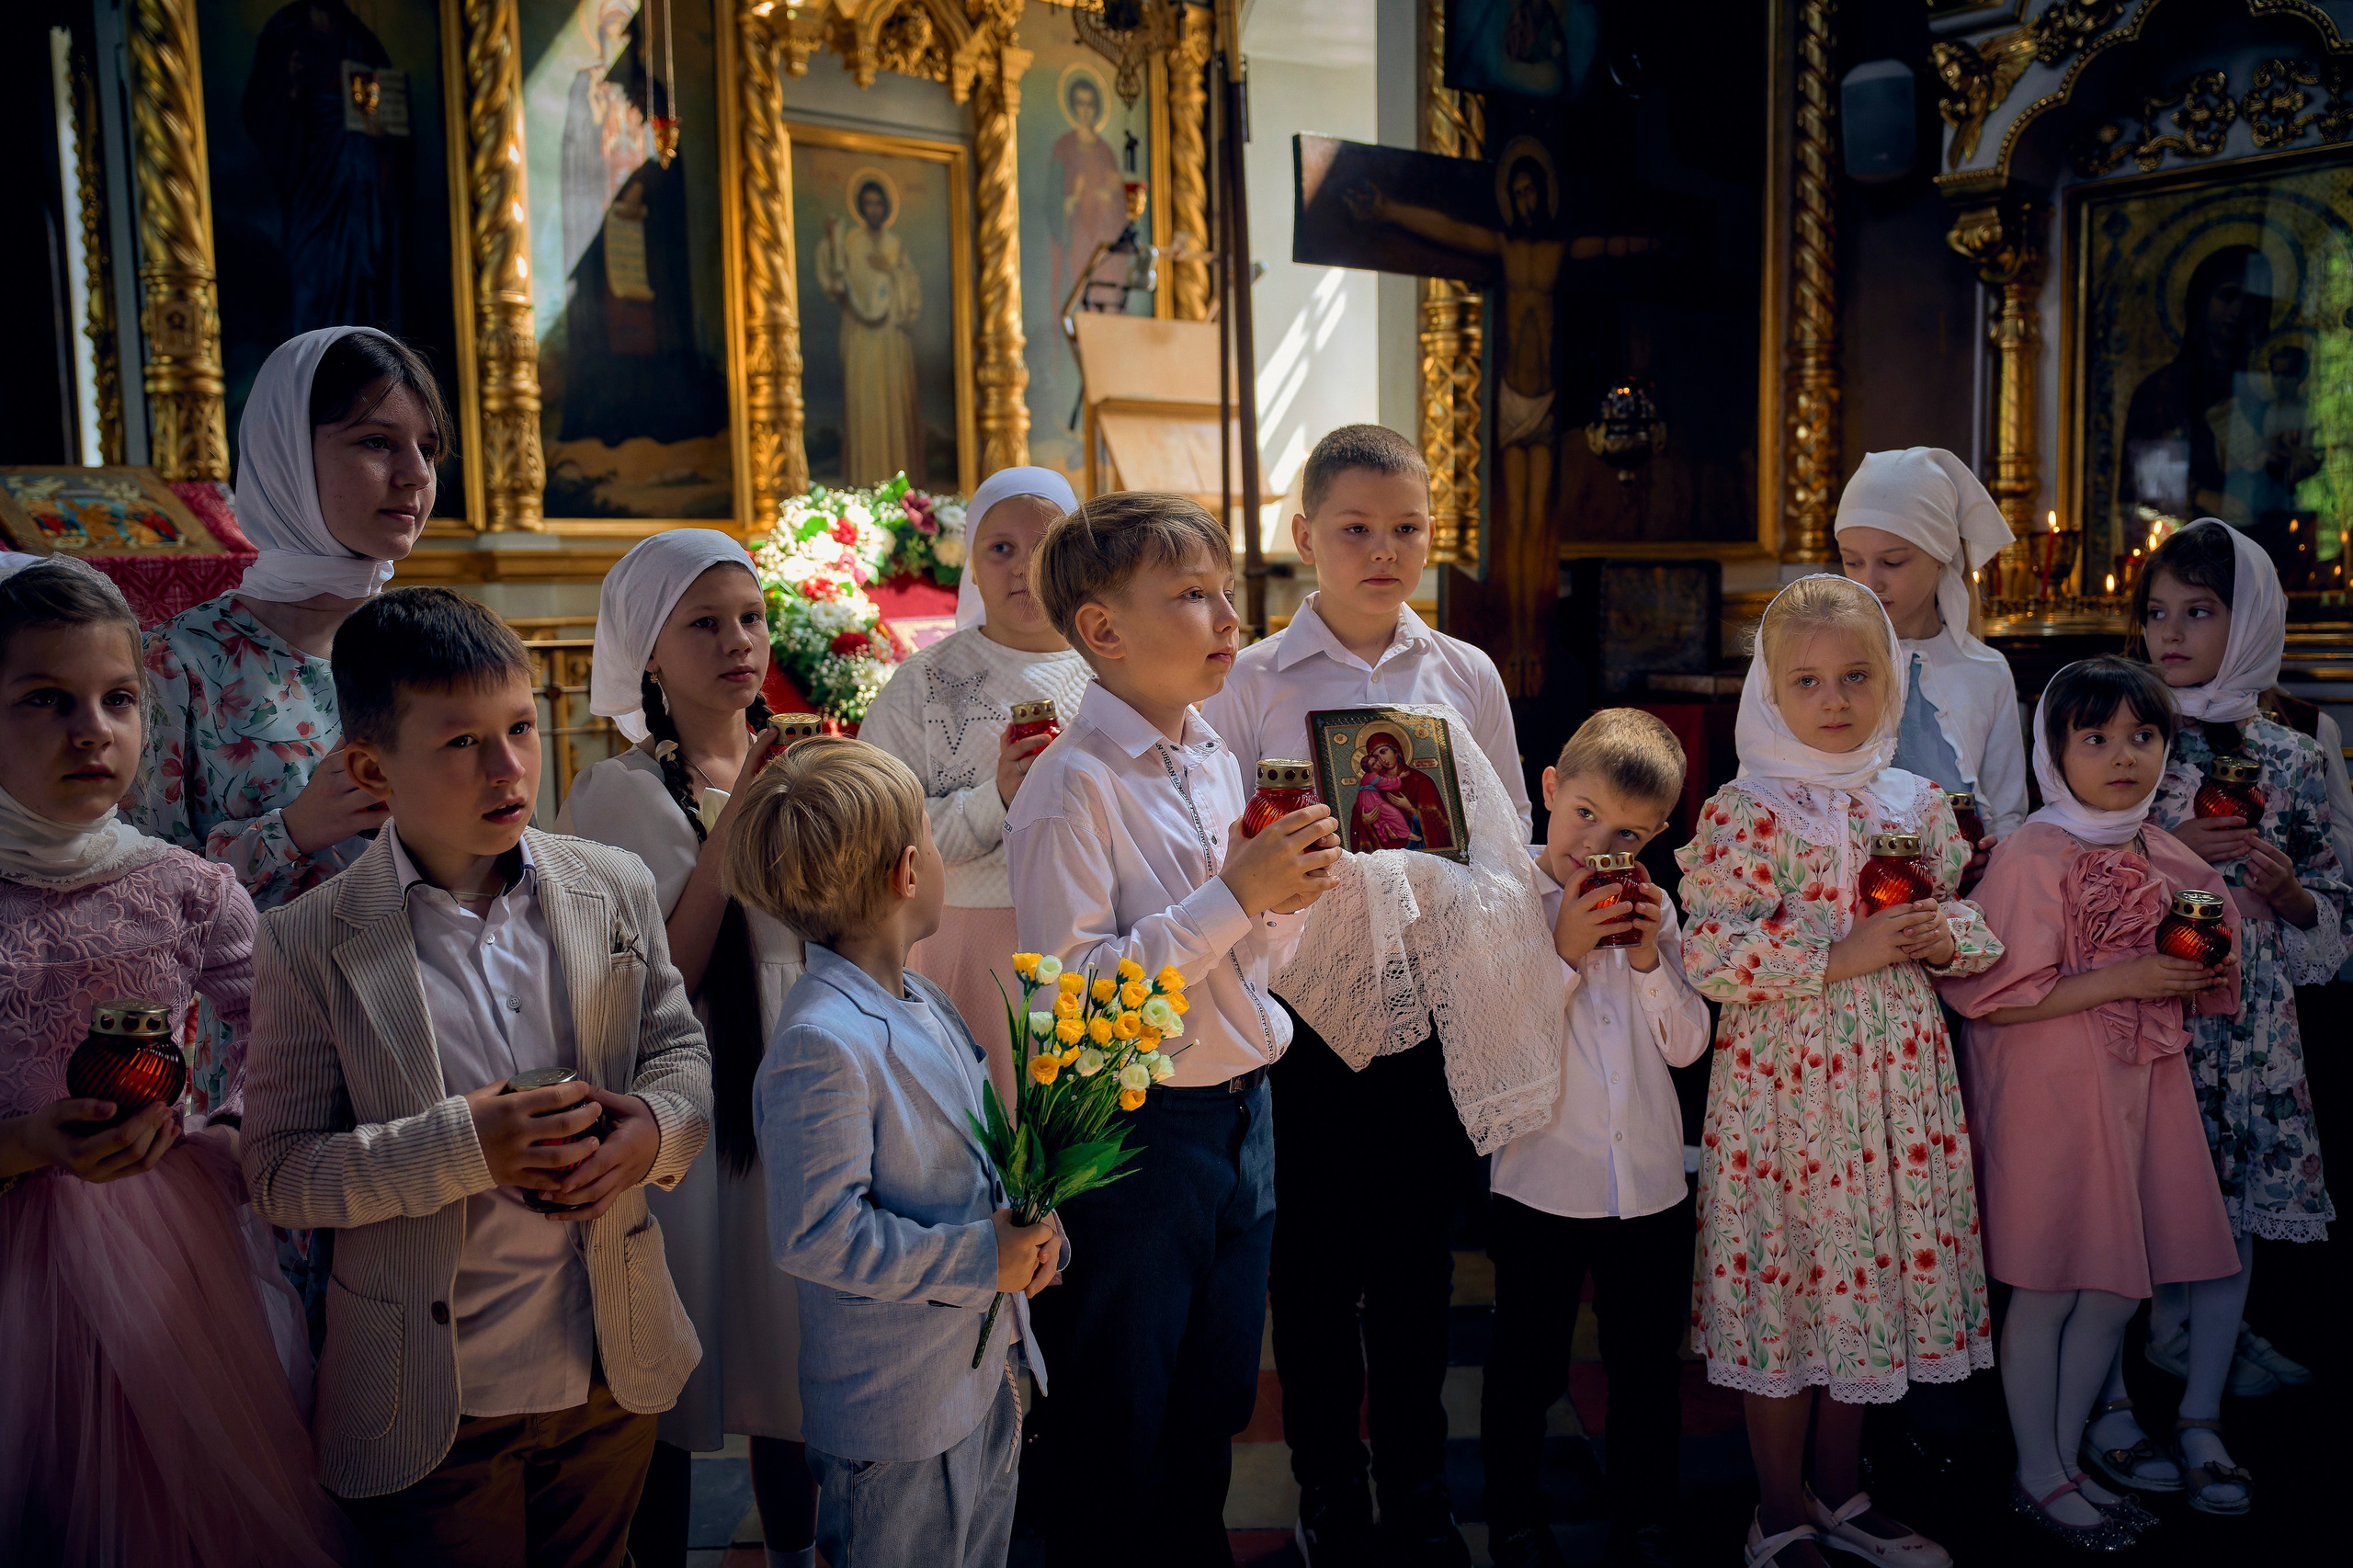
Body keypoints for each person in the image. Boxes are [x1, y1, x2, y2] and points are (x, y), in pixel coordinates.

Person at [239, 589, 713, 1566]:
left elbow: (679, 1052)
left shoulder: (610, 884)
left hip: (605, 1367)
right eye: (461, 743)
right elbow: (281, 1172)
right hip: (430, 1395)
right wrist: (467, 1146)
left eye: (520, 729)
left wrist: (651, 1133)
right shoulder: (310, 940)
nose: (508, 769)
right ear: (372, 766)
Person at [1201, 423, 1529, 1565]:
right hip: (1295, 1014)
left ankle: (1419, 1484)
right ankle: (1328, 1482)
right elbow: (1212, 844)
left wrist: (1442, 878)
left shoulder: (1465, 674)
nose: (1382, 549)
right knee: (1311, 1265)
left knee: (1415, 1267)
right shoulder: (1248, 682)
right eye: (1355, 528)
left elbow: (1509, 840)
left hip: (1428, 1006)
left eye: (1406, 528)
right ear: (1304, 539)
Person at [0, 555, 358, 1567]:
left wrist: (233, 1125)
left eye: (118, 699)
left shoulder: (188, 890)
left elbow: (274, 1037)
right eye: (45, 699)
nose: (91, 730)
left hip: (169, 1242)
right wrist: (23, 1140)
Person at [1006, 493, 1343, 1567]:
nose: (1226, 618)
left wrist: (1281, 907)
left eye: (1225, 592)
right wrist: (1236, 895)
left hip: (1244, 1119)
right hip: (1136, 1135)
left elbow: (1244, 965)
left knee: (1211, 1408)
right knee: (1116, 1425)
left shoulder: (1209, 755)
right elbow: (1076, 1009)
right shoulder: (1071, 788)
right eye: (1192, 595)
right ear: (1101, 630)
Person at [1676, 574, 2000, 1568]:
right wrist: (1838, 952)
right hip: (1785, 1088)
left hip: (1895, 1081)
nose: (1834, 699)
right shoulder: (1745, 808)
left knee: (1863, 1279)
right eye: (1807, 680)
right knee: (1789, 1278)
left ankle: (1839, 1490)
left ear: (1889, 683)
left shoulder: (1917, 801)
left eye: (1856, 675)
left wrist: (1947, 938)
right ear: (1769, 692)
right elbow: (1709, 954)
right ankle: (1775, 1507)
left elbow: (1971, 924)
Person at [132, 325, 445, 1335]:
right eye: (373, 442)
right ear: (282, 455)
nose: (411, 474)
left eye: (427, 447)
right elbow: (130, 897)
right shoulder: (180, 661)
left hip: (435, 1030)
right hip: (275, 1067)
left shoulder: (420, 652)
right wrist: (290, 829)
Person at [727, 737, 1063, 1568]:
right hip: (896, 1411)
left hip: (980, 1375)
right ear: (909, 873)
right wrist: (983, 1257)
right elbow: (818, 1235)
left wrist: (1031, 1220)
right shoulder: (820, 1041)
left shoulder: (924, 998)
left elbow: (978, 1154)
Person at [1940, 657, 2244, 1546]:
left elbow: (2212, 947)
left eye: (2143, 737)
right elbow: (1992, 994)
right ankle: (2037, 1470)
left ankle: (2067, 1458)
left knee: (2116, 1288)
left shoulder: (2154, 845)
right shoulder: (2036, 851)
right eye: (2097, 738)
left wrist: (2199, 965)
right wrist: (2129, 975)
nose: (2123, 757)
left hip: (2137, 1087)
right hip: (2050, 1084)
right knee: (2047, 1285)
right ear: (2055, 750)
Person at [555, 531, 812, 1568]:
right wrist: (738, 817)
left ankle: (799, 1550)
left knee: (792, 1354)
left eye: (750, 617)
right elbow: (662, 973)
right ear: (648, 653)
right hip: (688, 1104)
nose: (738, 641)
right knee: (673, 1353)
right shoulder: (616, 792)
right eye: (704, 623)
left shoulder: (800, 759)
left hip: (794, 1084)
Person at [2129, 519, 2341, 1514]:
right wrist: (2167, 841)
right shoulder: (2128, 732)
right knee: (2129, 1211)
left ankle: (2202, 1412)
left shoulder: (2297, 758)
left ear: (2246, 618)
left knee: (2226, 1218)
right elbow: (2075, 870)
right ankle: (2109, 1404)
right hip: (2146, 1013)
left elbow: (2333, 905)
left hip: (2248, 1019)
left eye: (2198, 611)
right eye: (2156, 612)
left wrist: (2292, 897)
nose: (2170, 633)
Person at [1480, 710, 1709, 1568]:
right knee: (1526, 1366)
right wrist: (1564, 952)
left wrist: (1650, 963)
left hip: (1647, 1182)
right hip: (1542, 1179)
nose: (1598, 844)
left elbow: (1687, 1046)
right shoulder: (1505, 904)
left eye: (1627, 832)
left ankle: (1646, 1520)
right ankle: (1514, 1515)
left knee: (1646, 1369)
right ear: (1548, 790)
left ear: (1653, 837)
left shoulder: (1659, 912)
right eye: (1583, 815)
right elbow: (1497, 1045)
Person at [861, 467, 1095, 1108]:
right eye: (1001, 549)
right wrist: (997, 800)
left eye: (1045, 546)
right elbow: (876, 834)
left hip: (1096, 942)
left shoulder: (1116, 670)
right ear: (971, 563)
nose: (1024, 568)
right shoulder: (923, 684)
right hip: (963, 946)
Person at [1835, 447, 2029, 860]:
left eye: (1893, 561)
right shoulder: (1824, 662)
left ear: (1941, 556)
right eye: (1852, 562)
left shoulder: (1985, 672)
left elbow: (2007, 811)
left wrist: (1994, 855)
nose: (1870, 581)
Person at [816, 176, 924, 486]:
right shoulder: (850, 242)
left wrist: (891, 271)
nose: (873, 209)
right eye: (868, 204)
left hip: (893, 338)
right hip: (862, 340)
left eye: (878, 203)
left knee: (895, 410)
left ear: (885, 207)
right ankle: (865, 483)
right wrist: (832, 240)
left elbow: (911, 291)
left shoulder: (895, 246)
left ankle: (903, 489)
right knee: (867, 409)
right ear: (861, 208)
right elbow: (836, 284)